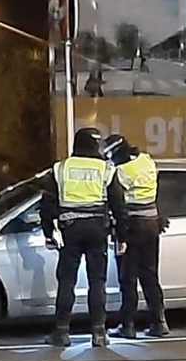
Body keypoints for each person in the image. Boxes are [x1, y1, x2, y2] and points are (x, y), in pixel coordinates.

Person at [39, 126, 123, 347]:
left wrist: (48, 233)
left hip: (70, 229)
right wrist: (121, 236)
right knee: (98, 281)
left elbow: (46, 204)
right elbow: (119, 205)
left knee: (66, 280)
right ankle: (99, 333)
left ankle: (62, 332)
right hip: (97, 228)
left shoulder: (61, 168)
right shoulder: (106, 169)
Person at [104, 133, 168, 339]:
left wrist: (119, 234)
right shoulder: (146, 161)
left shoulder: (119, 172)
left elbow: (117, 203)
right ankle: (159, 322)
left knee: (128, 278)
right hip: (152, 223)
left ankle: (128, 325)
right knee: (150, 276)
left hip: (131, 226)